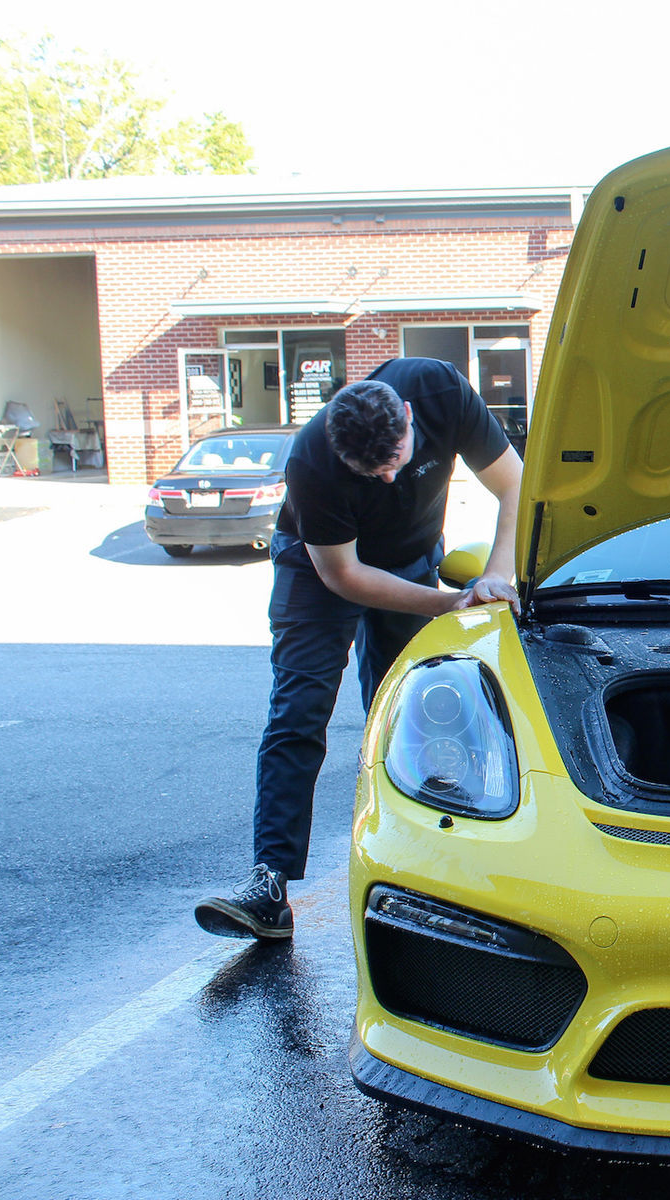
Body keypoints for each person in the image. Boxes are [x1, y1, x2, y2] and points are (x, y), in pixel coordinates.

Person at [195, 357, 523, 941]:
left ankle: (428, 878)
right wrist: (447, 604)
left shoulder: (440, 389)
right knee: (299, 710)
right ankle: (269, 884)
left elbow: (513, 485)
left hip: (412, 555)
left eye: (396, 461)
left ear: (409, 415)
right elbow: (344, 575)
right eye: (370, 473)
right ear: (338, 447)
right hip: (318, 568)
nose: (390, 481)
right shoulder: (310, 459)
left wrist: (495, 576)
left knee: (408, 716)